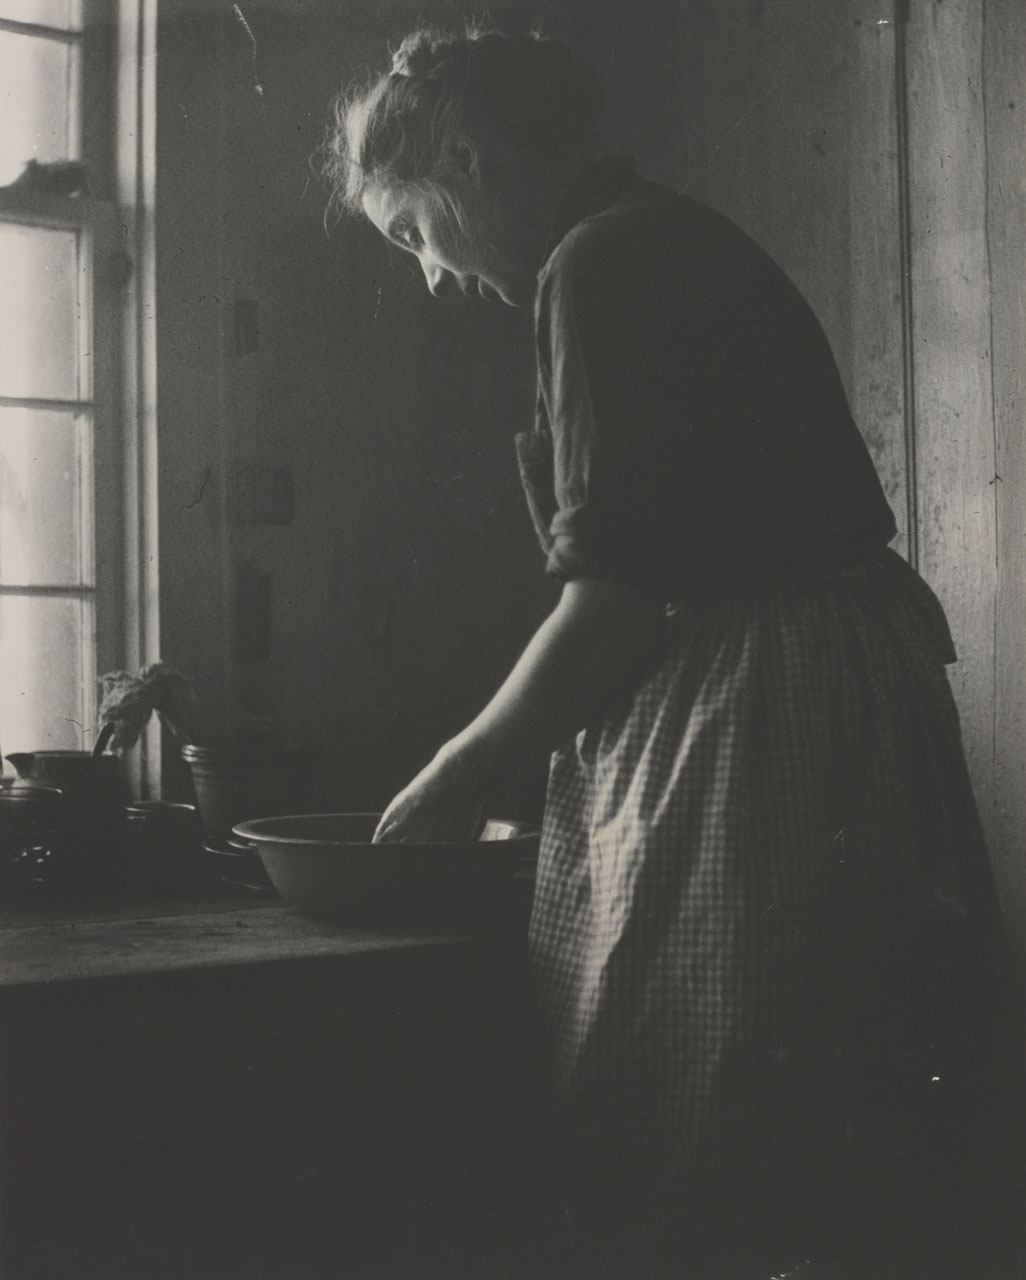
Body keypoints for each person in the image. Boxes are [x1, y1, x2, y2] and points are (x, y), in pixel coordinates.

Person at [325, 24, 1014, 1278]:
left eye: (415, 233)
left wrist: (459, 767)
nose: (430, 274)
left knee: (710, 1119)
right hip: (795, 678)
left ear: (470, 162)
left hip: (760, 703)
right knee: (794, 1119)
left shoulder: (605, 263)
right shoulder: (646, 238)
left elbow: (620, 597)